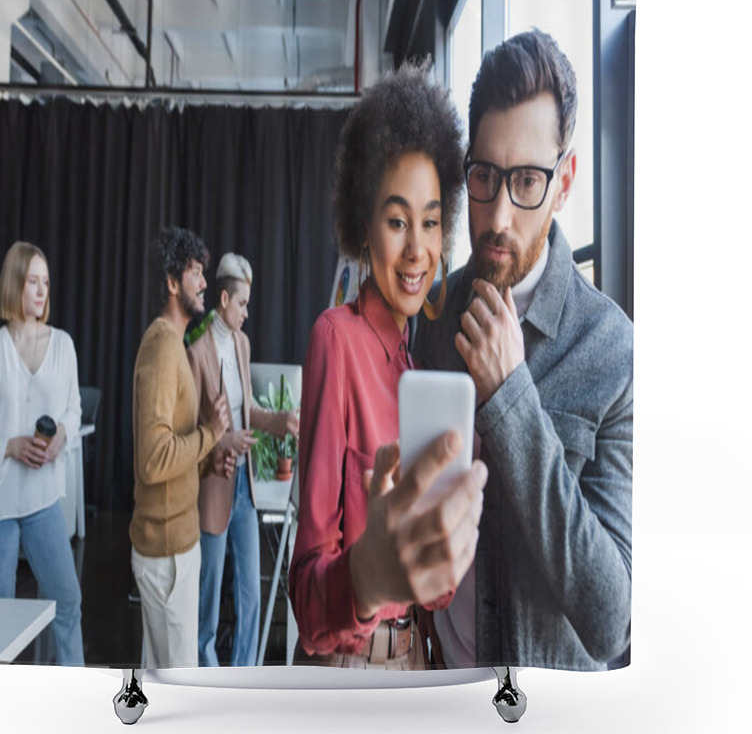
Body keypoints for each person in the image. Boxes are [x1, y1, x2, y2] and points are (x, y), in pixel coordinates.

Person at [414, 29, 633, 670]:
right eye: (484, 175)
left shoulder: (613, 352)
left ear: (564, 181)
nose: (500, 214)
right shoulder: (430, 315)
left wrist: (512, 396)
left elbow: (611, 618)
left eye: (528, 181)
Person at [289, 62, 488, 669]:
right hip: (352, 668)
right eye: (397, 221)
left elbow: (435, 583)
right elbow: (306, 594)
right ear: (364, 227)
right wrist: (368, 579)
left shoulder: (421, 362)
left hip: (418, 660)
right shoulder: (336, 339)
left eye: (430, 223)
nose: (416, 250)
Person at [187, 252, 299, 667]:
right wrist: (224, 442)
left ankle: (242, 678)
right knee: (209, 595)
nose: (247, 313)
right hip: (213, 485)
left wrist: (280, 420)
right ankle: (206, 676)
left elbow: (247, 409)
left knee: (250, 592)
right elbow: (192, 428)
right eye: (242, 304)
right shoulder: (195, 350)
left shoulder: (241, 343)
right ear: (222, 299)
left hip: (244, 492)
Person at [129, 227, 232, 669]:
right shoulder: (161, 349)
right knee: (179, 685)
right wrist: (210, 434)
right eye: (195, 272)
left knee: (162, 685)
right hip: (167, 555)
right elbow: (153, 461)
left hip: (175, 547)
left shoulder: (174, 346)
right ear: (172, 283)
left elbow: (173, 449)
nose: (204, 283)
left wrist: (209, 461)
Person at [0, 241, 84, 666]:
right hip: (1, 503)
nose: (42, 290)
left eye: (46, 282)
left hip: (44, 500)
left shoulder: (63, 344)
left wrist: (60, 438)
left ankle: (77, 704)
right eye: (33, 281)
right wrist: (9, 446)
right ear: (15, 284)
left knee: (67, 601)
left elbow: (72, 408)